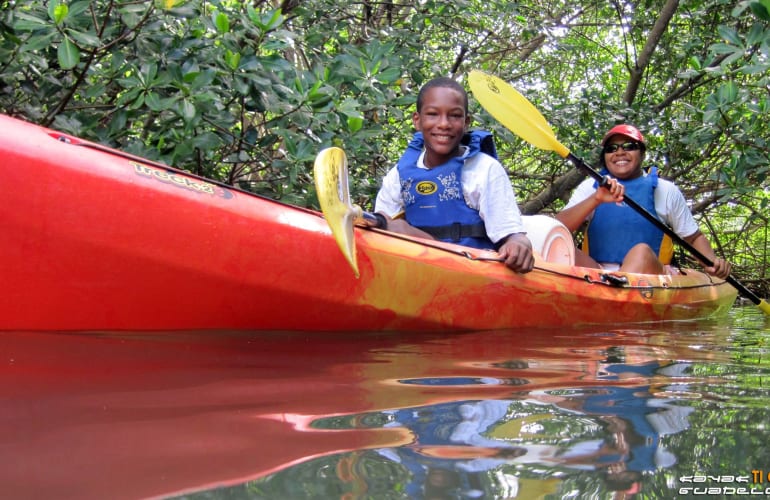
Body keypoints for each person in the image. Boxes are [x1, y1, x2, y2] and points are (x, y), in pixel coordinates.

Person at [373, 77, 534, 274]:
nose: (444, 124)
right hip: (418, 272)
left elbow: (513, 235)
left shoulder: (484, 170)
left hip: (473, 275)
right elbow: (380, 231)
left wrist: (519, 244)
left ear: (466, 122)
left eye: (455, 116)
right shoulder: (398, 175)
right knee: (392, 226)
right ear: (417, 120)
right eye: (432, 114)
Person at [556, 124, 732, 278]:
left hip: (650, 276)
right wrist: (596, 199)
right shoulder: (591, 187)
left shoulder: (665, 190)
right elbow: (557, 228)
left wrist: (712, 263)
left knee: (641, 252)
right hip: (597, 273)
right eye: (611, 148)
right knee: (563, 250)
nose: (619, 152)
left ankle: (618, 296)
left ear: (642, 153)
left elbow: (693, 237)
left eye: (629, 146)